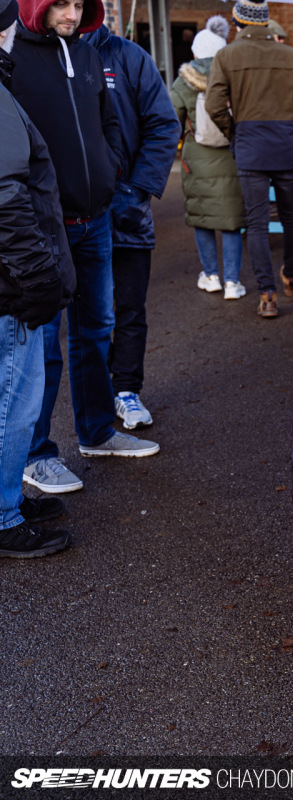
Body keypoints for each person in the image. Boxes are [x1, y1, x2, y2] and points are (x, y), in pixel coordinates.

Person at [13, 0, 160, 496]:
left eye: (79, 4)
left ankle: (96, 431)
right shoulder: (14, 55)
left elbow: (110, 124)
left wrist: (110, 167)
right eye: (61, 4)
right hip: (44, 225)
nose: (72, 14)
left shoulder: (93, 55)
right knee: (42, 348)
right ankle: (36, 454)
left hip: (95, 217)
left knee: (96, 331)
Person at [0, 0, 73, 556]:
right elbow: (7, 196)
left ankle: (7, 500)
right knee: (12, 403)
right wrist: (38, 280)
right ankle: (3, 515)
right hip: (11, 285)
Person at [83, 20, 180, 431]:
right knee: (82, 315)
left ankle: (125, 388)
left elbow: (163, 124)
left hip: (127, 209)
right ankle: (88, 404)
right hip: (74, 210)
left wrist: (138, 188)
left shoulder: (128, 56)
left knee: (128, 305)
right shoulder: (44, 56)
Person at [206, 0, 293, 317]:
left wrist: (236, 131)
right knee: (290, 216)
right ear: (267, 23)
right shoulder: (291, 55)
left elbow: (214, 106)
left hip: (250, 147)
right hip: (285, 145)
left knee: (256, 224)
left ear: (237, 23)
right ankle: (292, 275)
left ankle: (267, 294)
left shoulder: (226, 55)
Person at [171, 16, 247, 303]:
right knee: (230, 220)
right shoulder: (233, 76)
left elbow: (170, 121)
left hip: (196, 156)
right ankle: (232, 282)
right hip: (231, 154)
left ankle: (211, 276)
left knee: (202, 218)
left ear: (195, 51)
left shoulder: (183, 80)